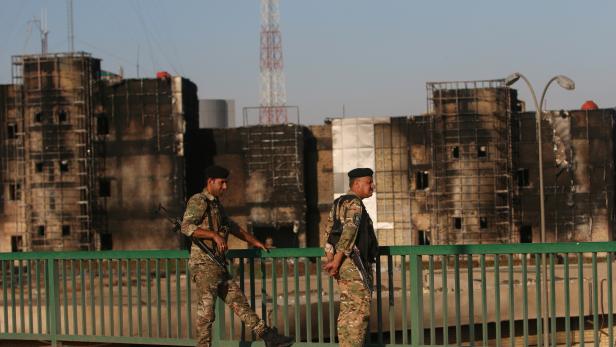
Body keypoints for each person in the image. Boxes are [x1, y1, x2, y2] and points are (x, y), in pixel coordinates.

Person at [181, 165, 294, 347]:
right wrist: (213, 235)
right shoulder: (199, 200)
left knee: (240, 303)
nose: (225, 187)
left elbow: (233, 227)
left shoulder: (216, 204)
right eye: (222, 183)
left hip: (218, 265)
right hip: (204, 266)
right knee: (206, 314)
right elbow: (186, 227)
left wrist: (255, 242)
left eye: (226, 183)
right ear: (210, 182)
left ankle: (268, 337)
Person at [323, 168, 379, 347]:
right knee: (358, 313)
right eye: (369, 182)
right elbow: (349, 233)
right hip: (355, 265)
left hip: (343, 266)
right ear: (357, 184)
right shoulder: (355, 204)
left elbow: (329, 233)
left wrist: (330, 258)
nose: (372, 186)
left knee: (347, 312)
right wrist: (336, 261)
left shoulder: (339, 202)